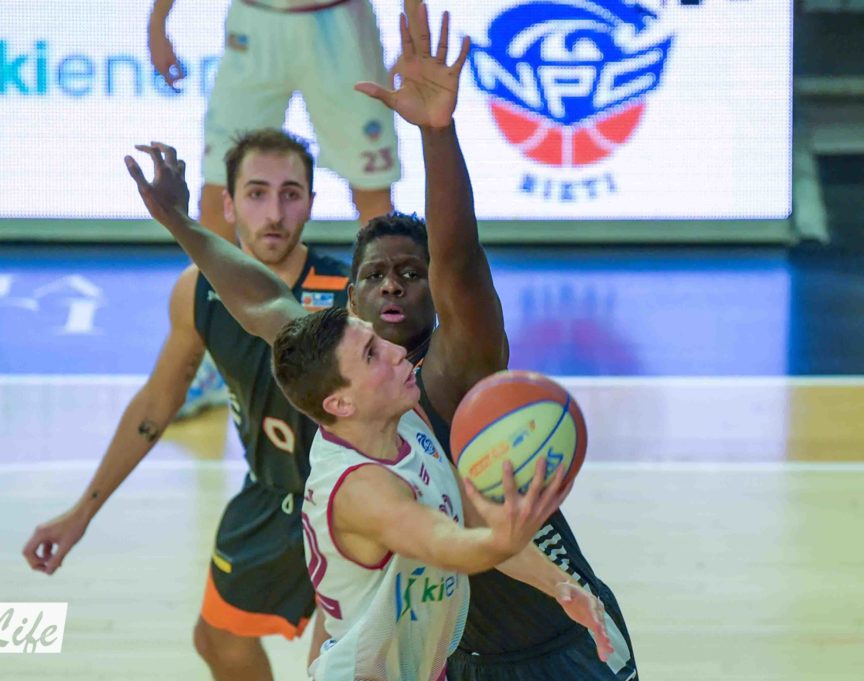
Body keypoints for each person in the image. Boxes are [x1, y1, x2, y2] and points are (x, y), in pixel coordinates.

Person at [123, 10, 613, 680]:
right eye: (373, 279)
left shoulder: (411, 381)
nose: (391, 311)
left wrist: (182, 223)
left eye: (412, 273)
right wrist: (498, 539)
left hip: (519, 647)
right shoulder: (360, 482)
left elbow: (265, 298)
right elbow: (444, 539)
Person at [348, 4, 640, 679]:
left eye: (410, 274)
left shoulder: (453, 366)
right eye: (374, 275)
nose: (392, 285)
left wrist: (437, 134)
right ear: (350, 297)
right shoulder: (344, 397)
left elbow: (459, 261)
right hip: (456, 658)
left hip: (564, 644)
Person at [24, 129, 352, 681]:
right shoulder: (197, 291)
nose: (275, 213)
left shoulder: (349, 290)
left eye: (291, 193)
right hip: (270, 494)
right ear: (228, 204)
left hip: (352, 497)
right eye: (257, 193)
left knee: (335, 664)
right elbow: (157, 404)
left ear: (312, 203)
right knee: (218, 639)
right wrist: (81, 513)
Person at [147, 0, 401, 240]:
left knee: (372, 187)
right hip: (255, 21)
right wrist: (157, 23)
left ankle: (389, 271)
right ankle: (215, 275)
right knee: (221, 187)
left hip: (340, 21)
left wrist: (415, 41)